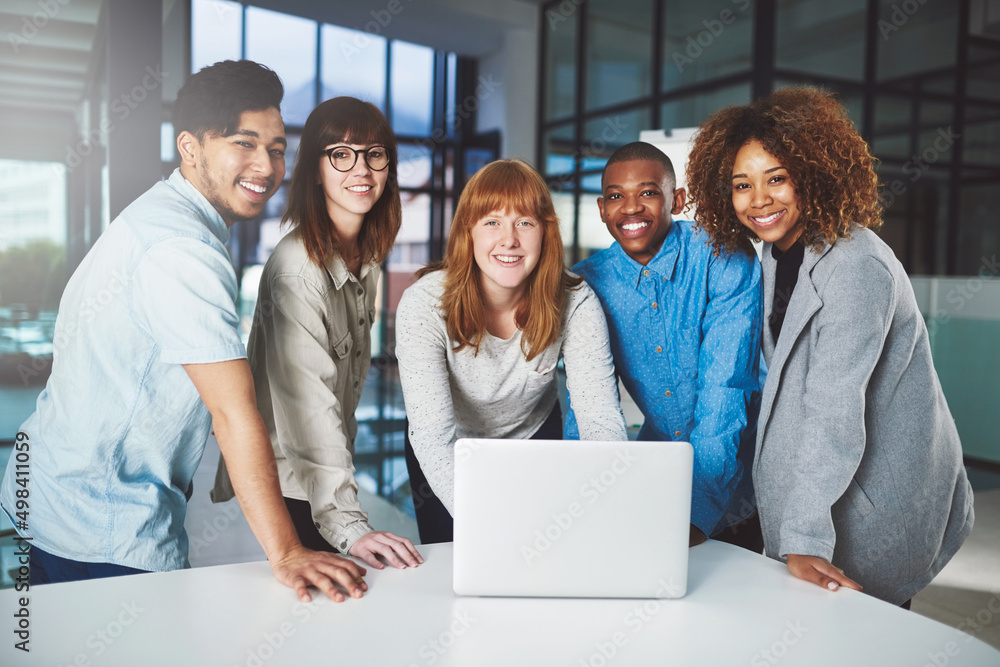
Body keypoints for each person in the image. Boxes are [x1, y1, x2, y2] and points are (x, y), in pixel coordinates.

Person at [0, 60, 367, 602]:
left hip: (49, 492)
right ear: (190, 148)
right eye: (243, 143)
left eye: (276, 147)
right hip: (100, 523)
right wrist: (287, 552)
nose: (265, 166)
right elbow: (231, 412)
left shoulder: (157, 215)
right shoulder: (183, 249)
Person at [685, 86, 974, 605]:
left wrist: (801, 537)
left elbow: (832, 410)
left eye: (777, 178)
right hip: (822, 491)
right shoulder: (778, 255)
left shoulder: (856, 266)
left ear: (812, 173)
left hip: (878, 497)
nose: (759, 200)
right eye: (741, 185)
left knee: (863, 633)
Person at [211, 97, 421, 570]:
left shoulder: (362, 260)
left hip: (321, 481)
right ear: (315, 170)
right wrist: (348, 522)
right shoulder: (299, 272)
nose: (361, 169)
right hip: (296, 485)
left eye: (375, 154)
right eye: (341, 154)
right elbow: (310, 407)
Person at [396, 159, 627, 543]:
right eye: (491, 222)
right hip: (448, 445)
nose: (509, 240)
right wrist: (485, 524)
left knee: (541, 553)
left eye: (524, 222)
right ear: (468, 233)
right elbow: (433, 436)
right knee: (462, 559)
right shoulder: (423, 304)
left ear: (544, 233)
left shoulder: (575, 300)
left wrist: (606, 499)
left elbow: (600, 417)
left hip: (533, 436)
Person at [565, 141, 763, 550]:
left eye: (648, 192)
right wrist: (580, 495)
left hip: (748, 479)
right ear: (602, 209)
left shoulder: (723, 256)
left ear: (678, 200)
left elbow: (726, 388)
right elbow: (584, 404)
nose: (631, 208)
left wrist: (694, 514)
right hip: (656, 479)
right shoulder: (585, 285)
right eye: (617, 196)